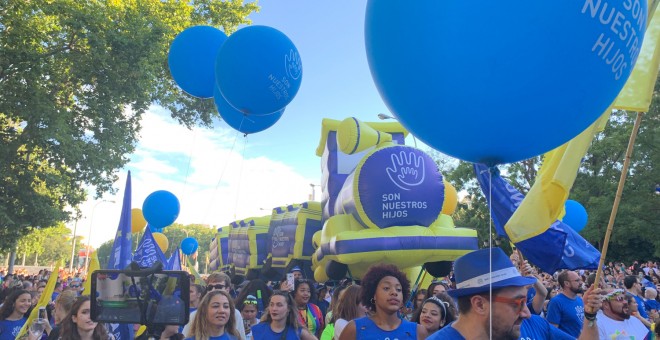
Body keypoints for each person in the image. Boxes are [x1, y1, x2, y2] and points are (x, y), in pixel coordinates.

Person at [427, 248, 536, 340]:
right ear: (479, 304)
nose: (527, 314)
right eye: (517, 303)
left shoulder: (532, 326)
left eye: (525, 301)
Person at [339, 263, 426, 340]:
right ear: (373, 294)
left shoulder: (418, 332)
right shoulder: (354, 328)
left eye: (399, 289)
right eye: (386, 288)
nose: (394, 292)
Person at [183, 273, 245, 339]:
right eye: (210, 287)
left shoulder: (236, 315)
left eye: (218, 287)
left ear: (228, 289)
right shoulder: (194, 315)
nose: (213, 290)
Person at [251, 290, 316, 340]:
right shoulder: (258, 330)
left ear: (288, 308)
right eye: (271, 304)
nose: (274, 309)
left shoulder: (298, 331)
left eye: (279, 305)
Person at [546, 270, 585, 338]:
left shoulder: (579, 300)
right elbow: (552, 331)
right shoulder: (556, 302)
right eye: (577, 280)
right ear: (567, 283)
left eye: (580, 280)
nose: (581, 283)